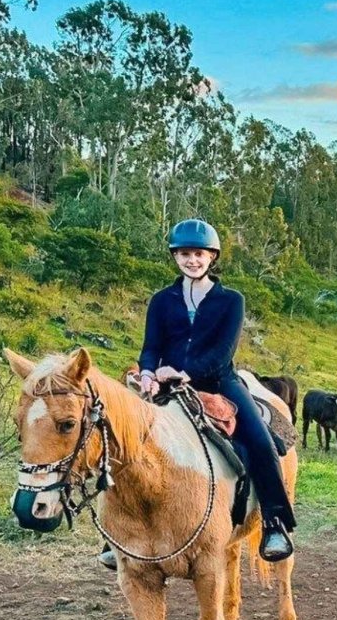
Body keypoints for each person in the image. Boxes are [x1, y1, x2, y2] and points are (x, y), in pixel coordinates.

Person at [99, 219, 294, 570]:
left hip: (219, 382)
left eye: (199, 254)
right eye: (185, 254)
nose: (192, 260)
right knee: (119, 438)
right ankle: (117, 534)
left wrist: (186, 373)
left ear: (212, 257)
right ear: (175, 257)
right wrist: (146, 372)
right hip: (166, 386)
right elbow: (150, 346)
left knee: (262, 441)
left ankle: (274, 524)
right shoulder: (161, 301)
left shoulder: (232, 301)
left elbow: (223, 351)